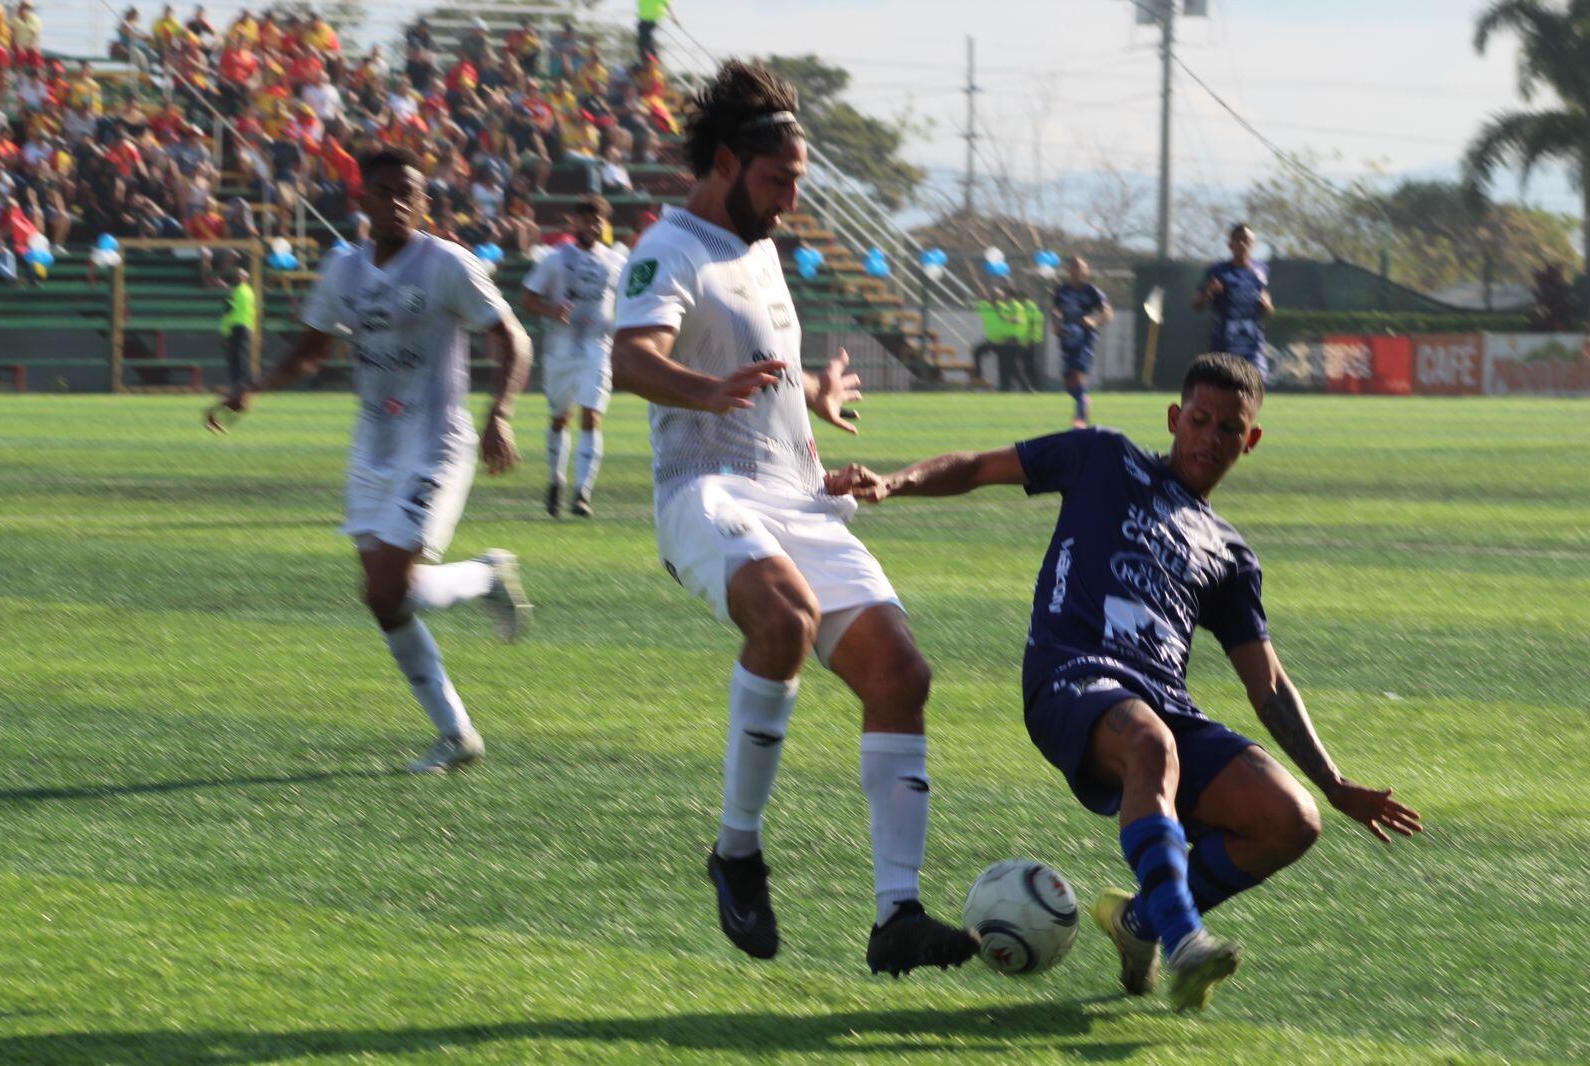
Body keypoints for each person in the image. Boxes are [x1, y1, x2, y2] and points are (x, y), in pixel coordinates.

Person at [825, 353, 1422, 1011]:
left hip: (1164, 702)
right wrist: (895, 482)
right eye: (1199, 420)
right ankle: (1184, 937)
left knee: (1289, 821)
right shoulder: (1104, 457)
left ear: (1249, 442)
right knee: (1150, 742)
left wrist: (1333, 783)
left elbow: (1270, 684)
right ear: (1175, 418)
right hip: (1070, 675)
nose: (1210, 438)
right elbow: (978, 466)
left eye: (1229, 429)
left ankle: (1139, 923)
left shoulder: (1230, 554)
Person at [609, 59, 977, 976]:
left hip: (797, 494)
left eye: (798, 184)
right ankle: (737, 851)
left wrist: (809, 392)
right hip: (706, 491)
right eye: (779, 182)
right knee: (785, 619)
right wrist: (711, 390)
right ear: (728, 163)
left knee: (901, 672)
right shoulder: (669, 246)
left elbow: (754, 360)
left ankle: (897, 915)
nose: (789, 202)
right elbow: (632, 360)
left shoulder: (761, 248)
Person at [206, 147, 537, 775]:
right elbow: (310, 351)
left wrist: (502, 414)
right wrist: (254, 388)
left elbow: (512, 338)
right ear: (361, 201)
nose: (395, 203)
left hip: (436, 442)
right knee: (386, 599)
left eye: (406, 193)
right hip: (373, 446)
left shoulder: (446, 265)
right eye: (382, 192)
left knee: (386, 586)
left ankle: (486, 583)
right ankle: (458, 731)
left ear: (424, 203)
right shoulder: (344, 269)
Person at [521, 194, 624, 519]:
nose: (592, 225)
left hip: (597, 348)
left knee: (592, 416)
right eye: (586, 219)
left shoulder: (615, 262)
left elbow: (628, 299)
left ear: (604, 225)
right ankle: (556, 480)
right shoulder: (555, 258)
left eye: (597, 220)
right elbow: (527, 297)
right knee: (559, 417)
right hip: (560, 350)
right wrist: (551, 310)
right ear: (575, 222)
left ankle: (582, 493)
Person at [1193, 223, 1273, 379]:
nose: (1242, 244)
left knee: (1254, 386)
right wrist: (1208, 292)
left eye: (1246, 240)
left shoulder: (1261, 271)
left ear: (1253, 244)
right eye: (1237, 240)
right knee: (1226, 390)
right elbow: (1196, 304)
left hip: (1252, 344)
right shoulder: (1217, 271)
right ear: (1230, 244)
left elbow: (1267, 307)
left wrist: (1267, 306)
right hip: (1225, 344)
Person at [1051, 255, 1112, 427]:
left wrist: (1094, 320)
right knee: (1067, 380)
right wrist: (1056, 323)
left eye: (1080, 267)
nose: (1077, 270)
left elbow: (1107, 313)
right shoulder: (1062, 290)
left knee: (1078, 372)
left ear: (1086, 270)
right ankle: (1082, 398)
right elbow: (1056, 310)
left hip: (1085, 338)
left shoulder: (1092, 291)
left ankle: (1080, 416)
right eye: (1073, 267)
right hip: (1067, 336)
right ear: (1069, 270)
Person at [219, 266, 254, 386]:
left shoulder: (234, 292)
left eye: (240, 275)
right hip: (245, 327)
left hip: (238, 327)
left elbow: (228, 313)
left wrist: (224, 332)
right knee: (241, 356)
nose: (238, 277)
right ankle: (242, 382)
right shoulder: (249, 292)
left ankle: (238, 382)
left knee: (236, 356)